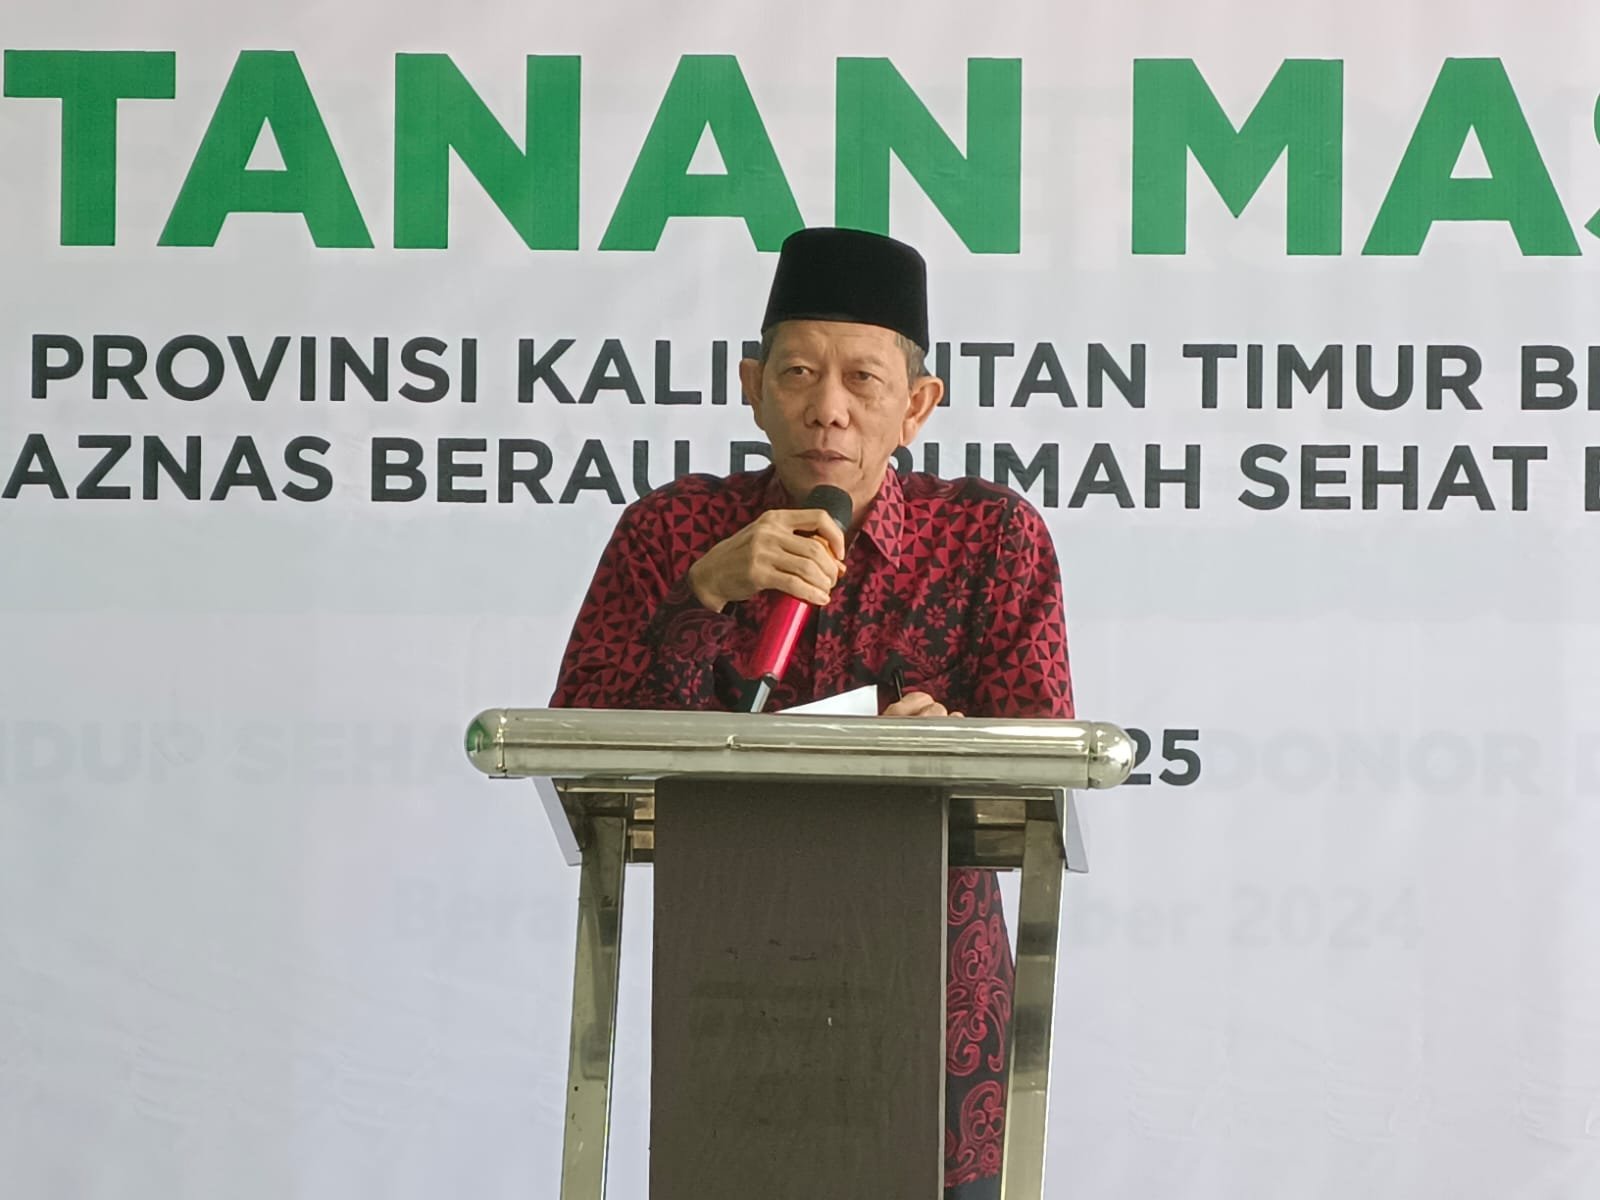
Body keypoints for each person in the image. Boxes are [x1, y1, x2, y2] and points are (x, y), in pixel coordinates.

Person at [550, 226, 1073, 1198]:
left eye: (862, 379)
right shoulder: (671, 531)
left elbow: (1043, 761)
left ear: (916, 406)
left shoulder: (991, 536)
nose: (827, 407)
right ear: (753, 388)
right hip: (733, 972)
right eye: (796, 373)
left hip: (935, 993)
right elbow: (582, 743)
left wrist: (953, 747)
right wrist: (701, 596)